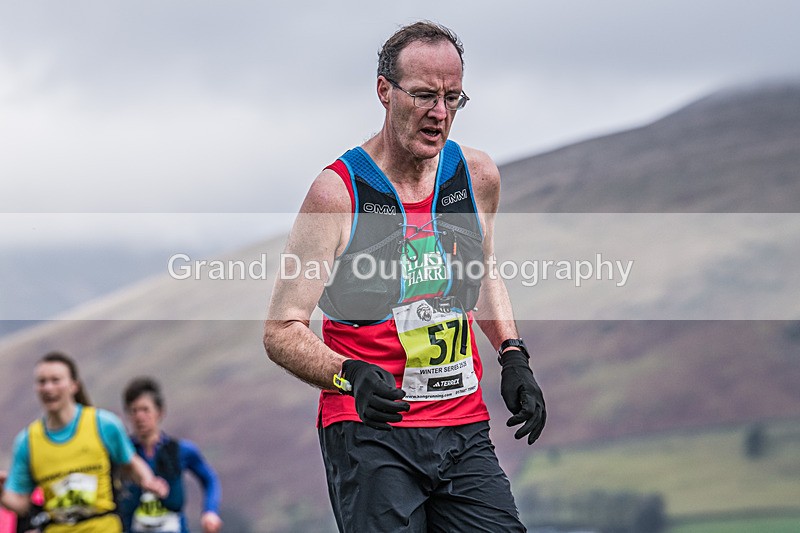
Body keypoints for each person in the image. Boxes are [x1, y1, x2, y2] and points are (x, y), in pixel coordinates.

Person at [263, 20, 546, 532]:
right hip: (374, 434)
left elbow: (483, 274)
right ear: (383, 91)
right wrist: (348, 374)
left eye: (453, 98)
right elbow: (281, 330)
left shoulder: (476, 176)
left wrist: (513, 354)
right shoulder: (338, 195)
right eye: (422, 96)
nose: (439, 114)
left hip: (461, 427)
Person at [0, 352, 168, 532]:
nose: (48, 388)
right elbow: (22, 504)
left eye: (55, 380)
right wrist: (1, 494)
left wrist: (148, 480)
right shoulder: (27, 441)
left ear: (74, 385)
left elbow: (130, 464)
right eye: (42, 382)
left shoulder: (103, 425)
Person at [118, 377, 222, 533]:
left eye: (145, 410)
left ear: (160, 412)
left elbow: (209, 479)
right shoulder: (123, 453)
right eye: (134, 411)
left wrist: (210, 511)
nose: (140, 417)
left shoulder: (181, 451)